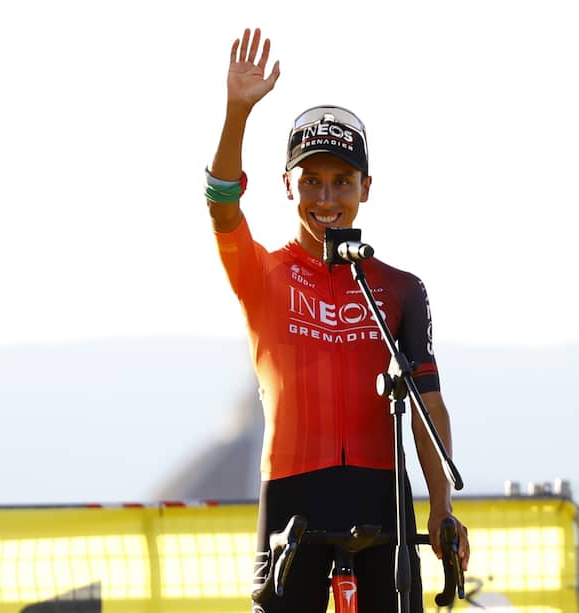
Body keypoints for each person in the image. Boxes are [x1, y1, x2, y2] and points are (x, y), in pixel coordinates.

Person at [205, 28, 470, 613]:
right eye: (311, 181)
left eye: (342, 182)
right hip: (293, 496)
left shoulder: (399, 288)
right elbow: (222, 203)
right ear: (287, 186)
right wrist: (236, 113)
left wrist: (442, 508)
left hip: (382, 496)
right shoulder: (263, 275)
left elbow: (427, 404)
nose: (326, 198)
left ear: (365, 189)